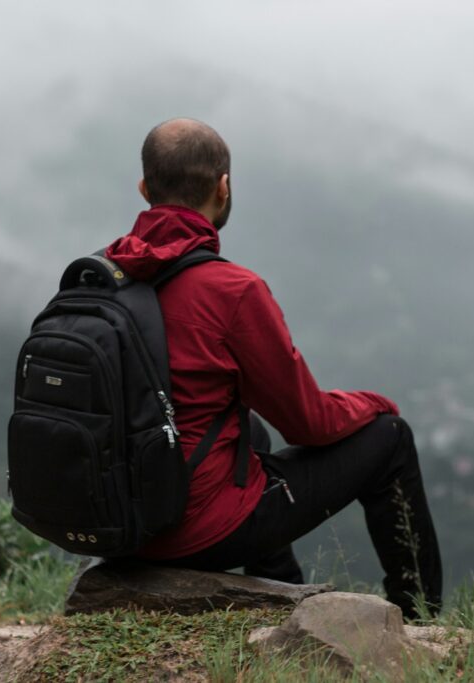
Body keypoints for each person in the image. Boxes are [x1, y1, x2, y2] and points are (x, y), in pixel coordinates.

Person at [104, 118, 442, 618]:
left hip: (118, 525)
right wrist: (375, 404)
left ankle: (279, 593)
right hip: (195, 531)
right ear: (223, 189)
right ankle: (419, 619)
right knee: (390, 438)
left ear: (144, 189)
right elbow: (311, 423)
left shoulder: (101, 277)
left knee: (248, 431)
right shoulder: (231, 291)